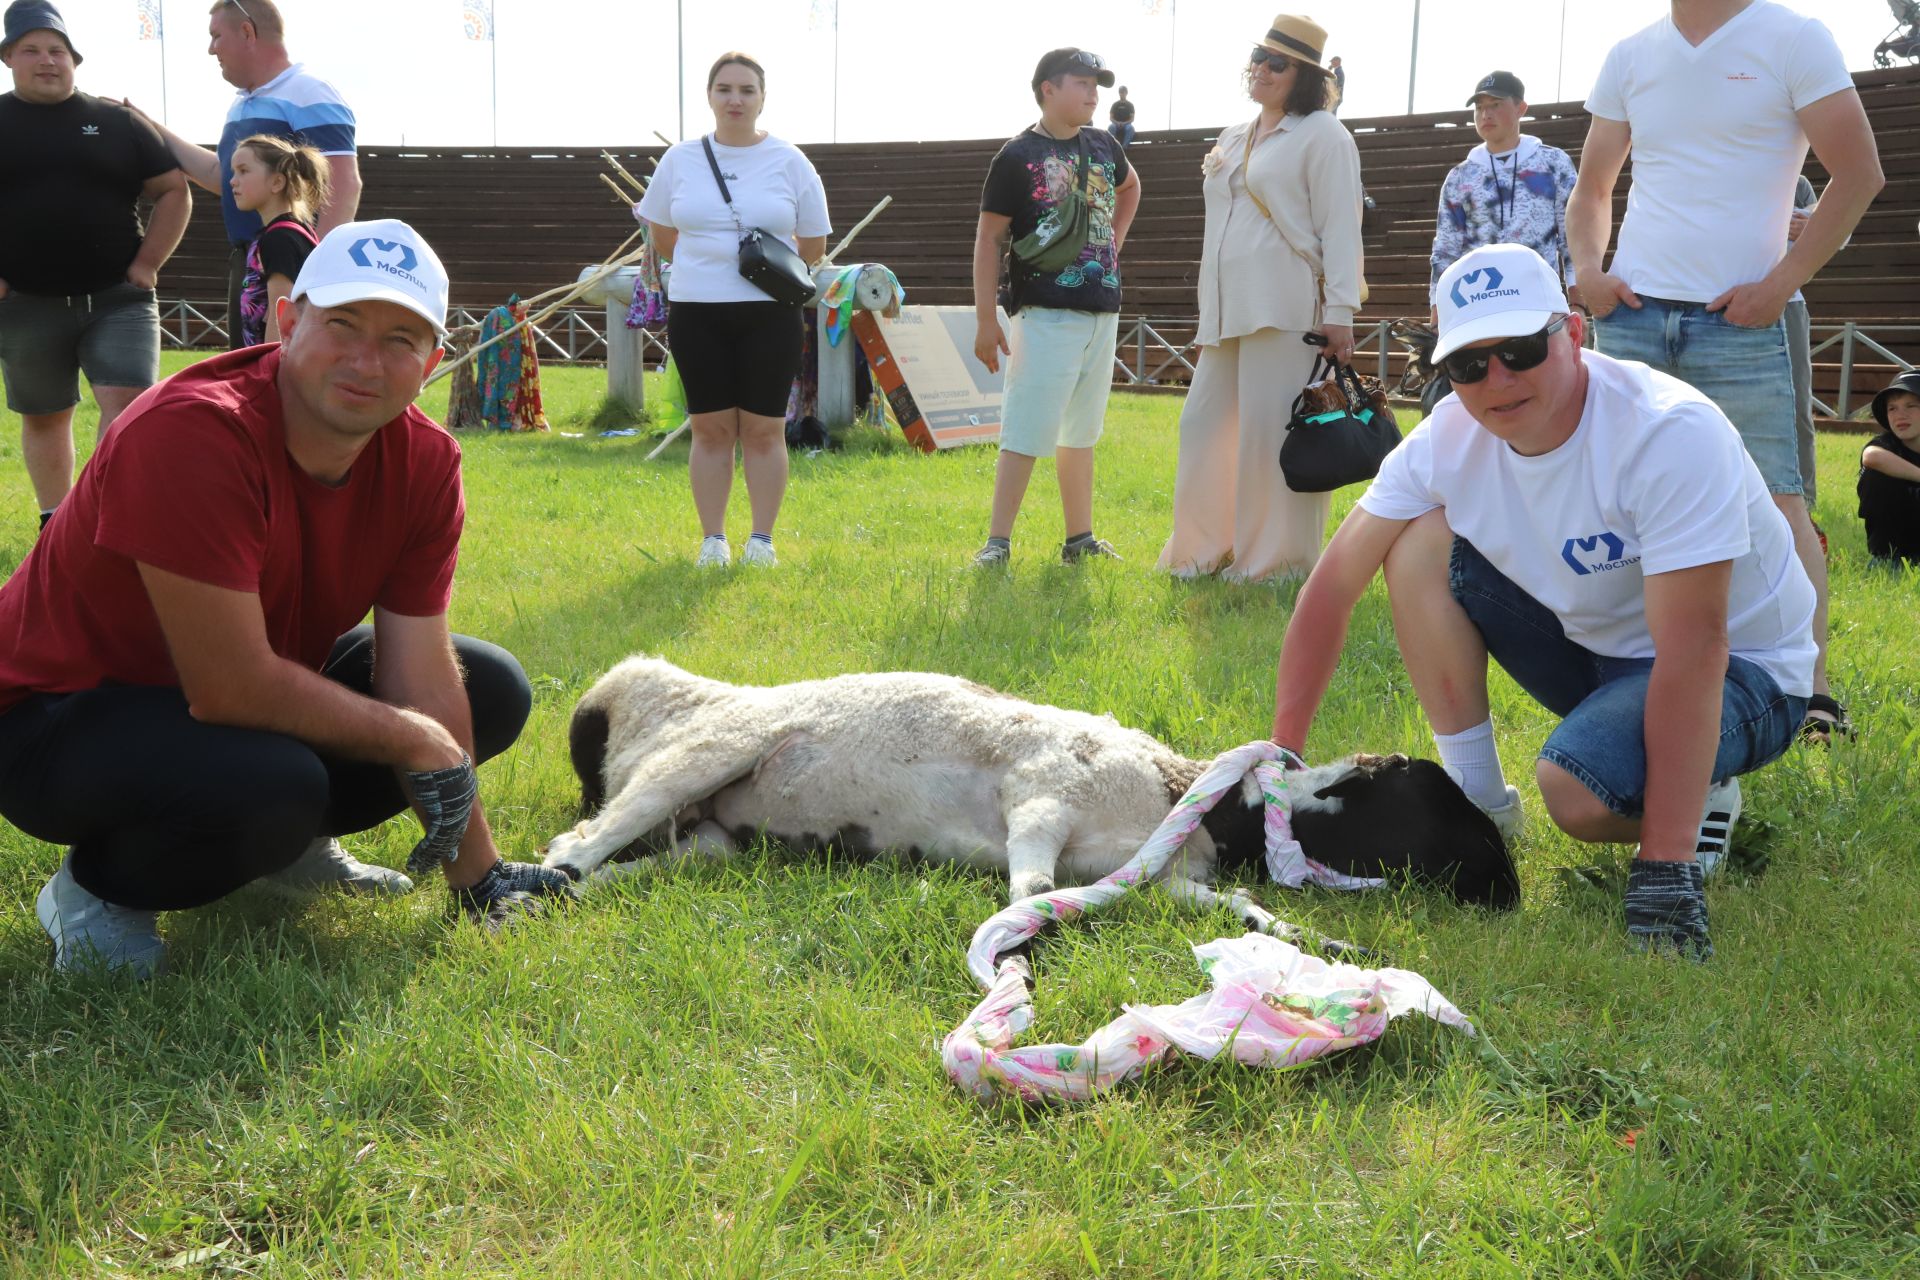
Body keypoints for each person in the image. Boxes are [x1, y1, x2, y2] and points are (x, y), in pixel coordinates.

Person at [0, 218, 573, 979]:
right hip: (51, 717)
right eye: (343, 324)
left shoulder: (426, 460)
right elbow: (228, 686)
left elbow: (419, 673)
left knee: (489, 686)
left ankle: (290, 849)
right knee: (276, 782)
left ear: (434, 360)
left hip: (213, 690)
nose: (367, 360)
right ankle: (96, 889)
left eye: (402, 339)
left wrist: (481, 877)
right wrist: (411, 740)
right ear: (288, 319)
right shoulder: (194, 432)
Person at [1270, 244, 1815, 960]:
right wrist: (1280, 758)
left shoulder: (1667, 431)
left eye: (1523, 349)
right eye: (1469, 365)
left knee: (1576, 792)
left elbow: (1697, 646)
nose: (1497, 379)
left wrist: (1664, 863)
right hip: (1598, 651)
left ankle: (1700, 801)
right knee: (1414, 540)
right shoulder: (1446, 438)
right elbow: (1331, 589)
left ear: (1575, 335)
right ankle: (1477, 804)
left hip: (1745, 671)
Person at [1567, 0, 1885, 745]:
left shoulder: (1794, 37)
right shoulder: (1632, 53)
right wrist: (1588, 270)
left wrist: (1781, 282)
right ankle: (1635, 672)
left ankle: (1812, 694)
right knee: (1625, 506)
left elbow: (1859, 171)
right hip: (1636, 315)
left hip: (1742, 319)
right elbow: (1592, 187)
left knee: (1779, 500)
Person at [1157, 14, 1361, 583]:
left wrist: (1340, 313)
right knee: (1203, 428)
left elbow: (1342, 228)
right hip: (1226, 309)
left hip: (1287, 305)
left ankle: (1275, 564)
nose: (1263, 70)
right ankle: (1200, 552)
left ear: (1306, 76)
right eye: (1259, 56)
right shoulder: (1232, 135)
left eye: (1278, 63)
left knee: (1273, 435)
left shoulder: (1325, 135)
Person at [0, 0, 190, 529]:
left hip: (118, 299)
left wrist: (148, 263)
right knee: (45, 415)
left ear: (75, 60)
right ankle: (55, 524)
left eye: (58, 50)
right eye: (32, 50)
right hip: (26, 305)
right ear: (8, 57)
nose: (47, 60)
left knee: (127, 405)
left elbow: (173, 190)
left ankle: (110, 520)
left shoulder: (117, 122)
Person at [638, 51, 830, 569]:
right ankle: (713, 540)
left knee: (765, 429)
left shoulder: (790, 160)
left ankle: (761, 541)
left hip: (770, 313)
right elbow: (660, 229)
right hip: (697, 309)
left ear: (763, 98)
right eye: (725, 89)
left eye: (747, 90)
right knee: (711, 428)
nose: (736, 99)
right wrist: (706, 268)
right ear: (710, 96)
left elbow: (813, 241)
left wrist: (763, 272)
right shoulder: (679, 159)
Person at [971, 47, 1142, 567]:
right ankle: (997, 542)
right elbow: (988, 239)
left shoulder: (1105, 144)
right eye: (1082, 82)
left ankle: (1079, 539)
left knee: (1081, 432)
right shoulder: (1017, 156)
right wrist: (985, 319)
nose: (1094, 93)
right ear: (1048, 87)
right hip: (1044, 311)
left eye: (1098, 84)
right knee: (1026, 429)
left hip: (1101, 308)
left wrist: (1111, 243)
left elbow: (1131, 187)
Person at [131, 0, 361, 351]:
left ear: (247, 32)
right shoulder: (242, 103)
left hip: (288, 263)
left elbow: (344, 184)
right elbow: (218, 176)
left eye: (216, 36)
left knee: (279, 371)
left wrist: (313, 272)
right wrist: (147, 126)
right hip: (253, 260)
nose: (211, 49)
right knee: (251, 372)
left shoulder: (309, 92)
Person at [1428, 71, 1577, 322]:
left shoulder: (1553, 163)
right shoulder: (1460, 176)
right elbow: (1445, 249)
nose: (1485, 114)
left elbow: (1572, 238)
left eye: (1495, 105)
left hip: (1538, 302)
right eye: (1479, 107)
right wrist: (1436, 311)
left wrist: (1578, 303)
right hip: (1477, 304)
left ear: (1521, 108)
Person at [229, 133, 327, 347]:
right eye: (234, 172)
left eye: (243, 171)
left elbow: (280, 311)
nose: (233, 181)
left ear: (277, 182)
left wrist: (268, 370)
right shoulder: (292, 232)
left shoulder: (279, 239)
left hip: (276, 366)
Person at [1858, 369, 1920, 564]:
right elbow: (1871, 457)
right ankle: (1885, 558)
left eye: (1910, 406)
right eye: (1892, 408)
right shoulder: (1887, 444)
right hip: (1895, 540)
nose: (1900, 415)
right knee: (1874, 476)